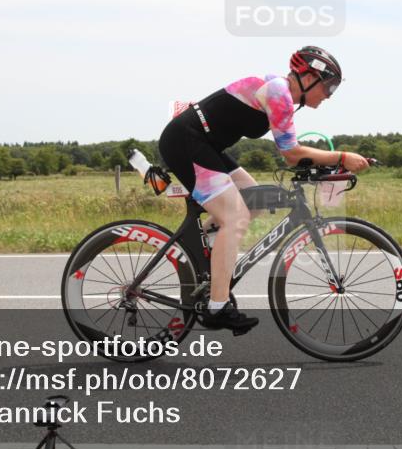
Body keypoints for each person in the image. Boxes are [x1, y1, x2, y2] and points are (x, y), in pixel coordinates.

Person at [157, 46, 370, 332]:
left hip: (204, 143)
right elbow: (291, 153)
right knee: (236, 217)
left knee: (253, 199)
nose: (329, 95)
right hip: (187, 140)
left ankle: (206, 255)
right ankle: (217, 306)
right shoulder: (278, 93)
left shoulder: (281, 94)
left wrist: (323, 166)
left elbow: (292, 153)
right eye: (328, 86)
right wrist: (341, 157)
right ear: (308, 77)